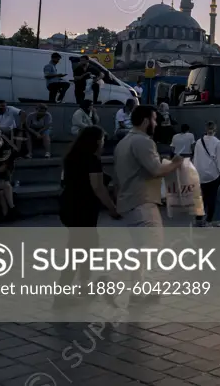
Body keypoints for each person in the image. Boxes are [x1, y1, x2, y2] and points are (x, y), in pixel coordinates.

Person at [55, 125, 120, 303]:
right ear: (97, 141)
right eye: (103, 140)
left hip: (69, 205)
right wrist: (112, 208)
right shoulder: (92, 160)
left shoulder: (71, 157)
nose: (104, 143)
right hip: (83, 208)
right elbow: (98, 187)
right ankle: (63, 293)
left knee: (83, 247)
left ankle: (80, 286)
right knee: (81, 250)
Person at [113, 105, 184, 226]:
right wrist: (175, 163)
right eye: (154, 119)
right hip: (142, 204)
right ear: (146, 121)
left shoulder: (123, 142)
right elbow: (157, 170)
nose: (156, 124)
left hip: (127, 205)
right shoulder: (143, 141)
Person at [193, 121, 220, 224]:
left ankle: (198, 218)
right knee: (212, 196)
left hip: (200, 174)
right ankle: (209, 219)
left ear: (205, 129)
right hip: (213, 175)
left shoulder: (199, 142)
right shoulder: (218, 143)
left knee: (200, 197)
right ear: (215, 130)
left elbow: (196, 158)